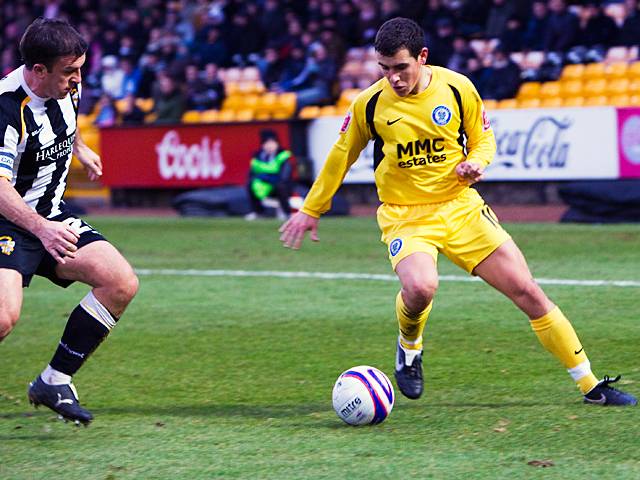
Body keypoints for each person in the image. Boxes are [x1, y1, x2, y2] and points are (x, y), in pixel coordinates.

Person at [279, 17, 637, 406]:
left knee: (528, 292)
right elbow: (339, 157)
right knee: (420, 287)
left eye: (401, 67)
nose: (394, 78)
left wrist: (476, 163)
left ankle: (590, 386)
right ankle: (409, 346)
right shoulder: (369, 105)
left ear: (422, 57)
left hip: (460, 207)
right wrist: (311, 209)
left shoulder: (457, 87)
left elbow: (483, 138)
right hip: (406, 214)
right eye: (384, 69)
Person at [0, 18, 139, 424]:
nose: (78, 79)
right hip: (9, 222)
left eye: (80, 69)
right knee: (4, 318)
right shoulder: (7, 108)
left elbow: (62, 112)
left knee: (120, 282)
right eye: (69, 72)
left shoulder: (65, 83)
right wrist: (40, 230)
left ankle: (54, 381)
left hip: (52, 217)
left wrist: (80, 146)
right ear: (37, 70)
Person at [245, 129, 293, 221]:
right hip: (263, 185)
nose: (270, 146)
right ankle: (258, 212)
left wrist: (270, 179)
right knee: (250, 184)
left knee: (281, 186)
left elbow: (285, 175)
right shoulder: (258, 156)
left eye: (272, 143)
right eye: (267, 143)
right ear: (263, 145)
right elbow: (252, 172)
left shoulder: (282, 155)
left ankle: (286, 212)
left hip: (278, 184)